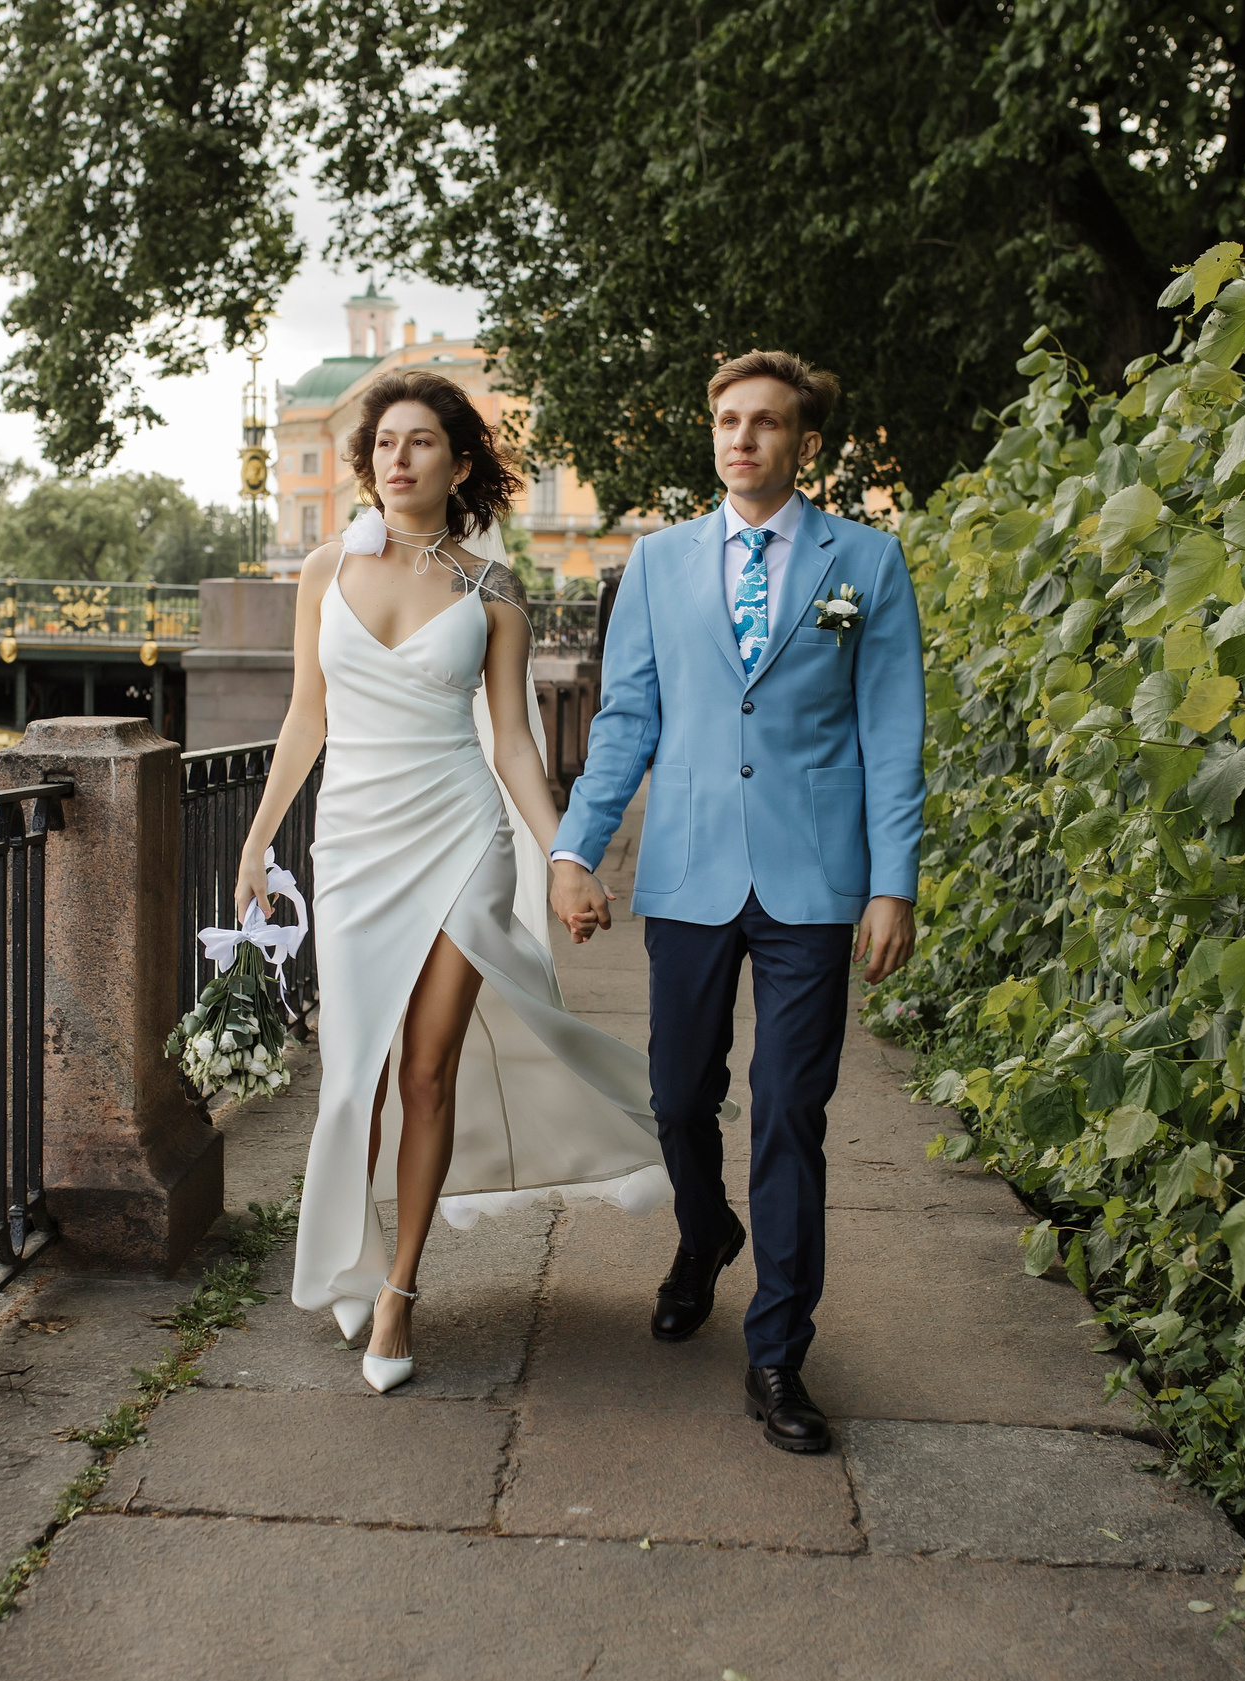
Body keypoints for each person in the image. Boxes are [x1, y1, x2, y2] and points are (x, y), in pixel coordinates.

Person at [233, 369, 667, 1395]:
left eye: (420, 441)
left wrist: (565, 858)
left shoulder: (491, 591)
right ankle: (349, 1250)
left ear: (458, 462)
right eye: (384, 442)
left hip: (461, 834)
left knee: (424, 1069)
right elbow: (307, 717)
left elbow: (515, 745)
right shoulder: (324, 566)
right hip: (350, 847)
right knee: (354, 1077)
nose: (397, 456)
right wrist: (255, 841)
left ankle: (398, 1288)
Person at [548, 350, 926, 1454]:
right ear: (709, 432)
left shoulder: (866, 562)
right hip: (691, 868)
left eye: (765, 422)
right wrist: (578, 848)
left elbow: (890, 729)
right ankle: (704, 1230)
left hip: (815, 877)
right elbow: (626, 718)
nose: (742, 438)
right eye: (726, 419)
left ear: (802, 441)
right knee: (675, 1096)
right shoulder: (658, 563)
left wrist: (890, 881)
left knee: (787, 1112)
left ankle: (776, 1351)